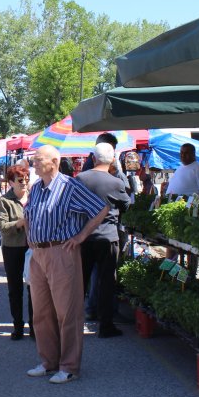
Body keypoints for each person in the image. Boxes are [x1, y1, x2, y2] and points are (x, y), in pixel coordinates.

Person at [24, 145, 108, 384]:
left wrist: (81, 236)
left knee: (67, 312)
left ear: (54, 161)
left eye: (39, 160)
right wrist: (29, 236)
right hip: (39, 254)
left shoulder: (69, 186)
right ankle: (48, 362)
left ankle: (69, 366)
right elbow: (28, 213)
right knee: (41, 312)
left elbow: (101, 209)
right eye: (34, 160)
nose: (34, 164)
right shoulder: (37, 188)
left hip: (62, 251)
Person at [75, 144, 130, 339]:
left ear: (93, 158)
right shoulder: (116, 182)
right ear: (113, 159)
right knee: (107, 282)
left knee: (80, 282)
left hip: (84, 236)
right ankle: (105, 326)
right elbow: (126, 204)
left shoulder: (80, 179)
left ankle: (74, 323)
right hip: (108, 236)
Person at [0, 164, 34, 340]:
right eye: (20, 180)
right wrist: (20, 222)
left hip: (33, 247)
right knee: (15, 288)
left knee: (35, 288)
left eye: (26, 179)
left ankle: (35, 326)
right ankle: (18, 325)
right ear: (11, 182)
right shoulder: (5, 201)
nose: (24, 182)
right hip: (12, 248)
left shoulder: (34, 196)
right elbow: (3, 227)